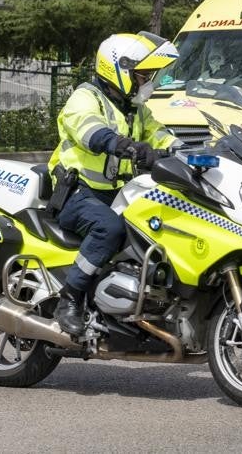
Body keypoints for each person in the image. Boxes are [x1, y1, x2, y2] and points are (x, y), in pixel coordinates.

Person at [50, 32, 181, 335]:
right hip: (76, 193)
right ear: (118, 70)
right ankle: (69, 299)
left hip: (117, 194)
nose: (147, 81)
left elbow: (160, 134)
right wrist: (128, 147)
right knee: (109, 229)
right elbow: (91, 131)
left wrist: (188, 151)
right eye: (141, 75)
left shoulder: (134, 109)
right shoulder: (85, 97)